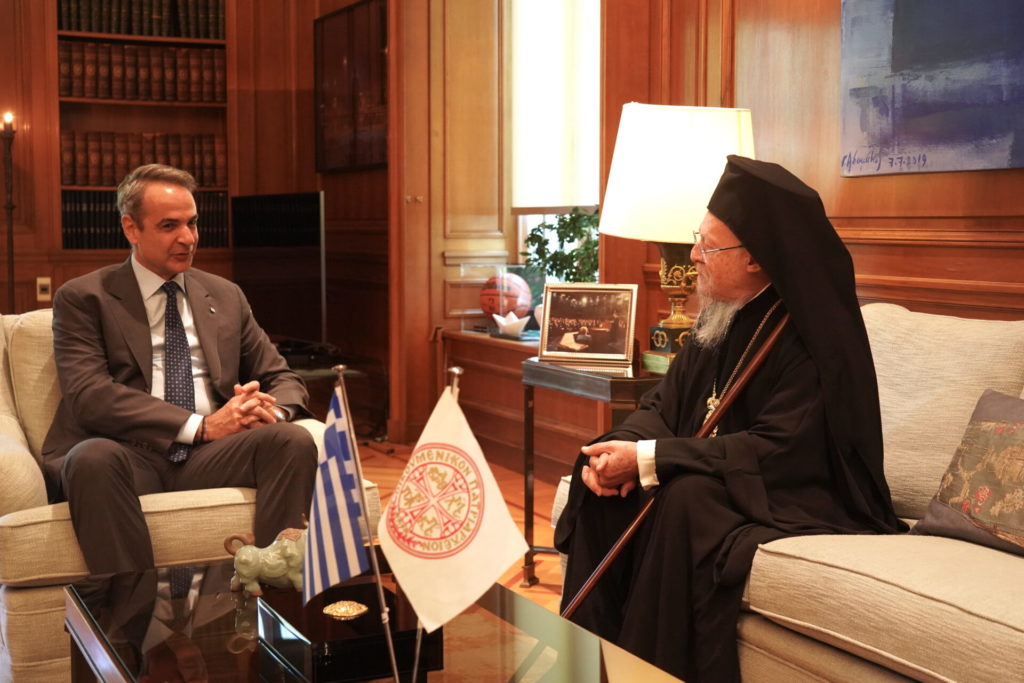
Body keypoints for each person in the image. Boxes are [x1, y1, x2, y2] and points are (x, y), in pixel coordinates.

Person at [554, 156, 905, 682]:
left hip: (801, 490)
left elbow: (781, 449)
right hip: (728, 477)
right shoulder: (720, 316)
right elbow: (662, 406)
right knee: (609, 488)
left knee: (684, 495)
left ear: (756, 260)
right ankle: (592, 668)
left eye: (709, 245)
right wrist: (620, 450)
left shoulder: (813, 340)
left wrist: (652, 459)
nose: (693, 255)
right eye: (699, 238)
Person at [42, 164, 318, 575]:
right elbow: (89, 396)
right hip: (127, 453)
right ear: (131, 229)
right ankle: (129, 618)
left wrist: (265, 412)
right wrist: (202, 426)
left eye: (192, 223)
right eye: (170, 226)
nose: (188, 238)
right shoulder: (85, 297)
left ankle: (275, 599)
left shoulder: (225, 295)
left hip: (210, 457)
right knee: (91, 458)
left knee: (290, 439)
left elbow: (282, 377)